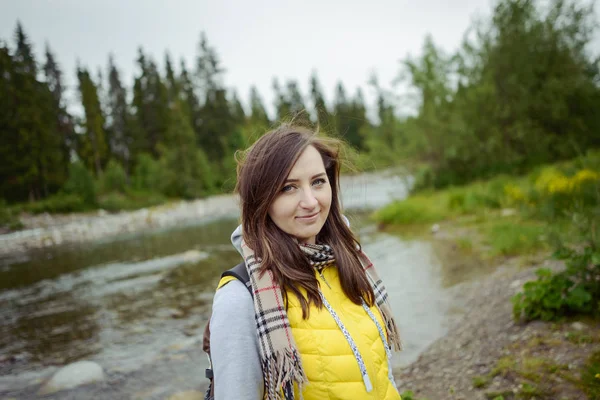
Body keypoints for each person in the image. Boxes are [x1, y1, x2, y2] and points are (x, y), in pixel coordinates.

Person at [209, 123, 402, 400]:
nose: (310, 201)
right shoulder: (239, 297)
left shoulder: (349, 261)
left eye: (318, 182)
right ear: (261, 200)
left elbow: (382, 370)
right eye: (289, 188)